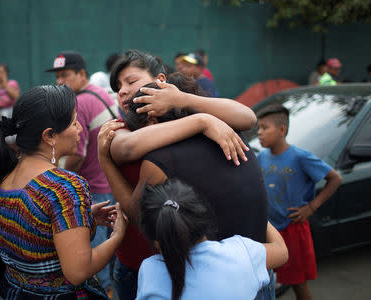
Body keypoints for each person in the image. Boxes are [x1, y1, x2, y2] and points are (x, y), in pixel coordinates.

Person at [101, 49, 264, 299]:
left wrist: (186, 103)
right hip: (140, 262)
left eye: (131, 81)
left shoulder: (192, 115)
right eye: (117, 87)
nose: (122, 90)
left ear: (161, 81)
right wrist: (203, 121)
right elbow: (127, 148)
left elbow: (248, 117)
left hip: (199, 261)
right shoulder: (119, 129)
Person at [0, 84, 128, 299]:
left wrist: (84, 218)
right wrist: (118, 235)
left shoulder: (5, 175)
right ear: (49, 136)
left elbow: (35, 231)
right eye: (74, 123)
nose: (80, 129)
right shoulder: (64, 187)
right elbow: (78, 272)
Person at [136, 179, 288, 300]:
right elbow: (282, 251)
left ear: (157, 242)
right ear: (202, 213)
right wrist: (259, 211)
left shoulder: (150, 271)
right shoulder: (242, 252)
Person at [46, 51, 119, 296]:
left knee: (93, 253)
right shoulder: (99, 93)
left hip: (93, 187)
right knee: (108, 245)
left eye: (64, 75)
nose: (60, 82)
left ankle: (102, 291)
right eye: (57, 76)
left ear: (81, 74)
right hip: (109, 180)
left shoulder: (79, 103)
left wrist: (60, 177)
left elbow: (77, 154)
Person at [256, 104, 343, 300]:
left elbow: (335, 179)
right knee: (266, 279)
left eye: (264, 128)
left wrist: (311, 207)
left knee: (297, 282)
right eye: (258, 128)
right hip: (270, 229)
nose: (259, 133)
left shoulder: (300, 157)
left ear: (282, 130)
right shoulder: (261, 157)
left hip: (293, 228)